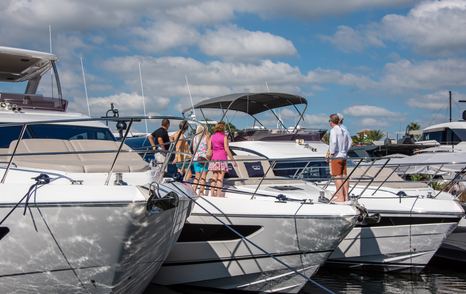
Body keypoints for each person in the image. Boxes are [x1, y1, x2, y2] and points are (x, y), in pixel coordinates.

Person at [207, 121, 236, 197]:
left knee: (214, 176)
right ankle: (218, 194)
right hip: (222, 158)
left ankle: (212, 193)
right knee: (220, 177)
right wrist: (233, 160)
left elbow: (209, 148)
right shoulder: (224, 137)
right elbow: (227, 149)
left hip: (214, 158)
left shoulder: (212, 136)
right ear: (223, 128)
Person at [328, 113, 351, 202]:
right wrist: (345, 151)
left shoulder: (333, 130)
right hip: (343, 156)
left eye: (329, 120)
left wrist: (332, 153)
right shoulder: (343, 130)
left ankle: (340, 197)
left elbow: (333, 142)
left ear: (332, 121)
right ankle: (346, 196)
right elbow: (350, 142)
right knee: (344, 176)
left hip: (336, 156)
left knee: (337, 177)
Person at [192, 124, 210, 195]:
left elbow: (193, 149)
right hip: (204, 158)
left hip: (196, 158)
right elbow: (209, 148)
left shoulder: (195, 138)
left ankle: (193, 191)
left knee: (197, 176)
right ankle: (201, 192)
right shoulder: (206, 137)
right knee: (203, 176)